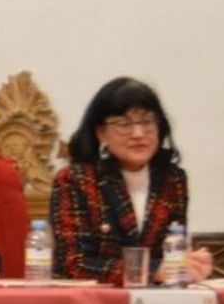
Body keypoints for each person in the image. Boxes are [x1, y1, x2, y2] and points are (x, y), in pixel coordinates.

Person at [49, 77, 213, 284]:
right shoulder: (75, 180)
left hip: (154, 301)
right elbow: (74, 264)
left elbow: (172, 253)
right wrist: (152, 271)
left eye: (146, 122)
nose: (138, 134)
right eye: (124, 124)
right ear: (101, 133)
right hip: (93, 299)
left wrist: (189, 264)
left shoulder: (173, 180)